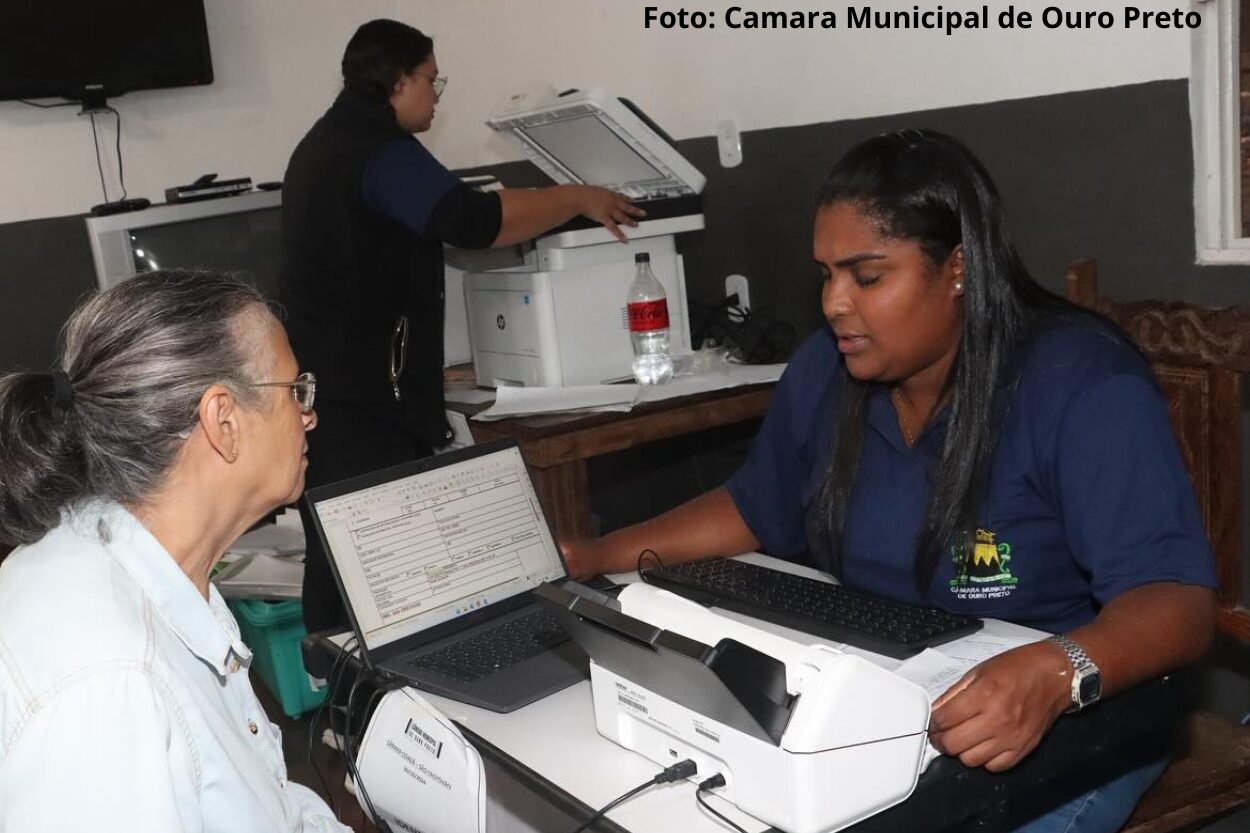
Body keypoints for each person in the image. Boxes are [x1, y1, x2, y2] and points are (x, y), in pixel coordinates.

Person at [562, 130, 1217, 833]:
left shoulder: (1080, 384)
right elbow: (756, 505)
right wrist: (594, 555)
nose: (836, 302)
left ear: (958, 268)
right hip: (884, 702)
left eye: (867, 276)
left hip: (1076, 714)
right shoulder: (826, 370)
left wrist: (1058, 670)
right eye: (826, 275)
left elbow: (1176, 600)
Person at [280, 18, 645, 632]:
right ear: (398, 81)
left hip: (330, 382)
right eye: (430, 78)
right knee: (380, 558)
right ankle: (369, 698)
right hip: (368, 395)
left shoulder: (325, 141)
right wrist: (579, 197)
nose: (436, 93)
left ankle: (338, 691)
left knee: (343, 549)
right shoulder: (380, 151)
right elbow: (475, 223)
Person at [0, 270, 345, 832]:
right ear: (223, 421)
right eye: (294, 391)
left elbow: (268, 807)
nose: (309, 415)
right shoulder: (108, 680)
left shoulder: (149, 568)